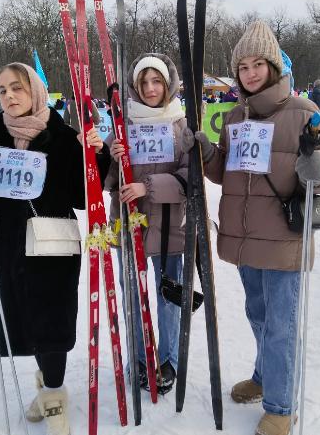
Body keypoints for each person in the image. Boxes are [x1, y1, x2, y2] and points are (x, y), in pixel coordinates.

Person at [181, 20, 320, 435]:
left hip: (284, 239)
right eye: (243, 67)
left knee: (280, 326)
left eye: (258, 64)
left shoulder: (303, 111)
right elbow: (226, 174)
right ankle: (265, 375)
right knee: (258, 315)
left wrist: (314, 162)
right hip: (245, 239)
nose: (250, 73)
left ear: (273, 65)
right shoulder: (235, 115)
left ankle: (280, 406)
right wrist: (207, 152)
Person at [0, 62, 109, 435]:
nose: (9, 96)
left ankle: (54, 394)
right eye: (2, 89)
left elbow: (82, 195)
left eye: (17, 88)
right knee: (19, 321)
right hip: (6, 248)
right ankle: (46, 382)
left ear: (36, 92)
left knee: (52, 322)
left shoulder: (63, 137)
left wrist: (94, 155)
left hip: (53, 246)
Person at [105, 53, 188, 394]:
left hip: (169, 224)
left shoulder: (180, 123)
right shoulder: (122, 125)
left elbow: (189, 180)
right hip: (130, 223)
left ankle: (169, 360)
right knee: (133, 299)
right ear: (135, 87)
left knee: (168, 298)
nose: (151, 88)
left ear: (168, 85)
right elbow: (106, 183)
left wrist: (148, 186)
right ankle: (139, 358)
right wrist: (111, 157)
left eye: (157, 81)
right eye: (144, 82)